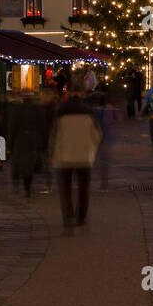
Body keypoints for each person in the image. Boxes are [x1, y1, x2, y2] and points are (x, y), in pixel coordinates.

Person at [50, 92, 103, 229]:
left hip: (63, 156)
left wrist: (52, 153)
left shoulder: (60, 112)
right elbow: (98, 135)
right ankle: (81, 217)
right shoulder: (89, 112)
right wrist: (92, 149)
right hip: (84, 156)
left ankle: (68, 216)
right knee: (83, 188)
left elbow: (53, 135)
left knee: (65, 188)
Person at [6, 91, 49, 198]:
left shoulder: (16, 110)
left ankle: (16, 184)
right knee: (29, 165)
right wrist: (44, 143)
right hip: (33, 141)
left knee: (17, 163)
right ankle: (27, 188)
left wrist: (9, 145)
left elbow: (12, 128)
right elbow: (43, 128)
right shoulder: (38, 110)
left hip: (19, 141)